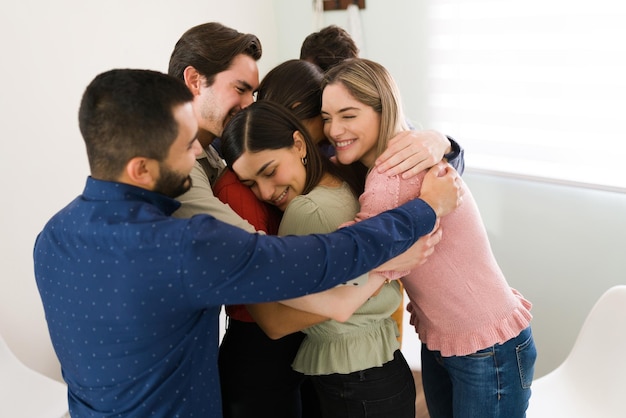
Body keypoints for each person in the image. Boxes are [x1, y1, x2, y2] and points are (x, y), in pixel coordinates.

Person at [32, 68, 463, 418]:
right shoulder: (182, 246)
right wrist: (424, 211)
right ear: (141, 169)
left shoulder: (52, 237)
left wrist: (440, 141)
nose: (198, 157)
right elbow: (322, 256)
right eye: (187, 147)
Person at [321, 57, 537, 418]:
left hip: (487, 349)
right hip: (454, 339)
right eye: (326, 118)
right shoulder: (403, 150)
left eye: (348, 115)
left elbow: (350, 253)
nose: (333, 129)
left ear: (382, 110)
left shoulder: (392, 175)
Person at [220, 100, 461, 418]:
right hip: (384, 367)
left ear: (298, 143)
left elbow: (323, 308)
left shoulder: (306, 210)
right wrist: (387, 266)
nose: (264, 192)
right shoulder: (347, 180)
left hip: (357, 382)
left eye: (270, 171)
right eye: (251, 184)